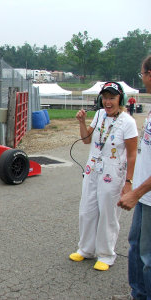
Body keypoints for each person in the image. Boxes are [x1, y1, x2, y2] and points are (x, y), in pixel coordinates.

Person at [69, 81, 138, 271]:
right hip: (93, 170)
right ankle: (86, 249)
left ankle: (106, 255)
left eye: (112, 98)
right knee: (87, 210)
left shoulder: (128, 122)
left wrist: (128, 182)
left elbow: (132, 155)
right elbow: (86, 140)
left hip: (113, 173)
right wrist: (82, 123)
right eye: (105, 98)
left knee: (108, 214)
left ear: (120, 99)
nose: (108, 102)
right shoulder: (99, 115)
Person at [113, 55, 151, 300]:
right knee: (136, 246)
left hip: (147, 196)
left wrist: (136, 192)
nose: (143, 79)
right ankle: (138, 293)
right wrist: (132, 185)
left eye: (142, 74)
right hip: (144, 194)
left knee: (148, 257)